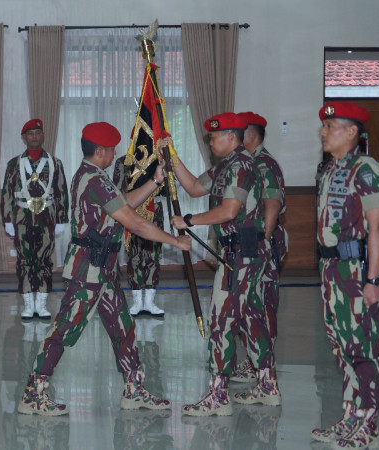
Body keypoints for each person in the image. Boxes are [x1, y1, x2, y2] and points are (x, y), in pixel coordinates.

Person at [17, 122, 192, 416]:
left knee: (123, 329)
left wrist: (155, 182)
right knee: (64, 329)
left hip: (105, 269)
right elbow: (133, 222)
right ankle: (33, 393)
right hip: (89, 269)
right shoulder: (94, 180)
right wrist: (174, 240)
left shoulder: (95, 176)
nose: (114, 155)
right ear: (100, 151)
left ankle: (134, 390)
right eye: (111, 150)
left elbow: (124, 205)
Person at [170, 112, 280, 416]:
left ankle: (218, 396)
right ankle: (268, 386)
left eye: (214, 136)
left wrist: (188, 220)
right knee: (251, 319)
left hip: (243, 255)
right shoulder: (224, 166)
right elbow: (193, 187)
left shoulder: (242, 166)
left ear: (231, 137)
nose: (210, 141)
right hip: (238, 254)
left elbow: (230, 210)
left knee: (221, 320)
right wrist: (172, 156)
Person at [312, 101, 379, 448]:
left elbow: (377, 227)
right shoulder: (329, 169)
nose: (324, 132)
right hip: (331, 270)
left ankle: (369, 425)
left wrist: (373, 281)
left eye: (331, 126)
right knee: (341, 346)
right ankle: (350, 416)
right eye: (324, 127)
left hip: (355, 270)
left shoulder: (365, 168)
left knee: (362, 348)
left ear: (352, 131)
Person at [230, 112, 288, 383]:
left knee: (263, 304)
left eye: (240, 134)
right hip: (250, 243)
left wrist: (261, 241)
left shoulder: (264, 164)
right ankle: (255, 363)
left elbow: (272, 206)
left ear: (250, 136)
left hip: (262, 244)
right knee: (250, 304)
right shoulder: (245, 163)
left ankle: (265, 367)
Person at [1, 119, 69, 320]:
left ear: (43, 135)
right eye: (30, 133)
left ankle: (42, 303)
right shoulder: (14, 164)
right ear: (24, 137)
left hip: (46, 218)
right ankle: (28, 304)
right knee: (24, 261)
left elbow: (61, 191)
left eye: (38, 133)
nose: (34, 137)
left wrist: (61, 218)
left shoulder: (55, 163)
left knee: (44, 260)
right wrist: (7, 220)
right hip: (22, 218)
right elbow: (6, 193)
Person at [112, 156, 165, 317]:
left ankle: (149, 302)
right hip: (131, 210)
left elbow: (168, 188)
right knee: (133, 255)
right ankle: (137, 301)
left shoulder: (159, 160)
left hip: (154, 210)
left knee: (153, 256)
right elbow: (117, 190)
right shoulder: (124, 161)